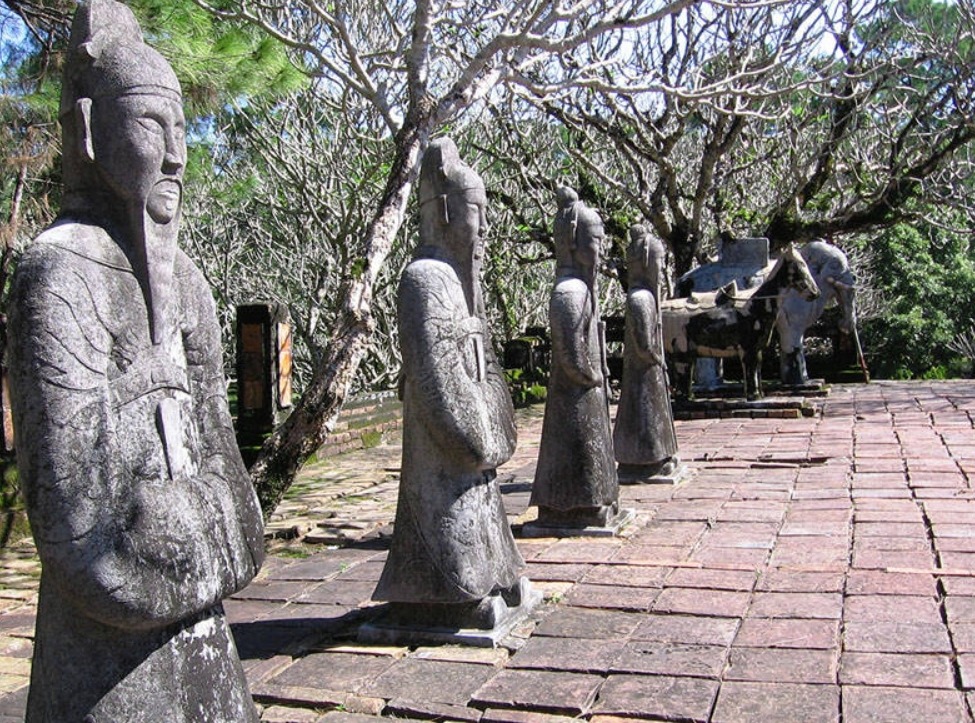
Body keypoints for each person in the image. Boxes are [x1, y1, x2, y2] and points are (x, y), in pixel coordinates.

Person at [7, 1, 264, 719]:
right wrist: (202, 516)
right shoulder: (57, 276)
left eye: (182, 129)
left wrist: (174, 512)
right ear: (91, 130)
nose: (177, 154)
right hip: (103, 672)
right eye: (153, 125)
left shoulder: (191, 287)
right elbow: (84, 536)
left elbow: (243, 518)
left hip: (209, 651)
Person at [371, 138, 530, 630]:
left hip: (476, 451)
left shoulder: (460, 282)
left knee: (481, 505)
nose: (485, 227)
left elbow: (486, 370)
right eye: (477, 212)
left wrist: (493, 435)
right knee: (448, 511)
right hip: (447, 448)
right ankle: (444, 592)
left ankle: (491, 573)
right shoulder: (424, 280)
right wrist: (483, 441)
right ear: (443, 211)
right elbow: (441, 388)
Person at [530, 188, 620, 528]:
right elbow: (570, 353)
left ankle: (590, 501)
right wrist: (592, 376)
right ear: (573, 242)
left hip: (586, 395)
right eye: (595, 241)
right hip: (576, 397)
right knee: (577, 448)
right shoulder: (569, 292)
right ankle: (574, 505)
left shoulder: (583, 289)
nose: (601, 250)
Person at [613, 225, 680, 478]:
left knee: (654, 414)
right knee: (645, 414)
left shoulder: (647, 296)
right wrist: (658, 359)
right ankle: (645, 459)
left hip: (650, 371)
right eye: (659, 263)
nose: (661, 270)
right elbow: (643, 346)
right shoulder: (640, 298)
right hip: (643, 371)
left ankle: (658, 455)